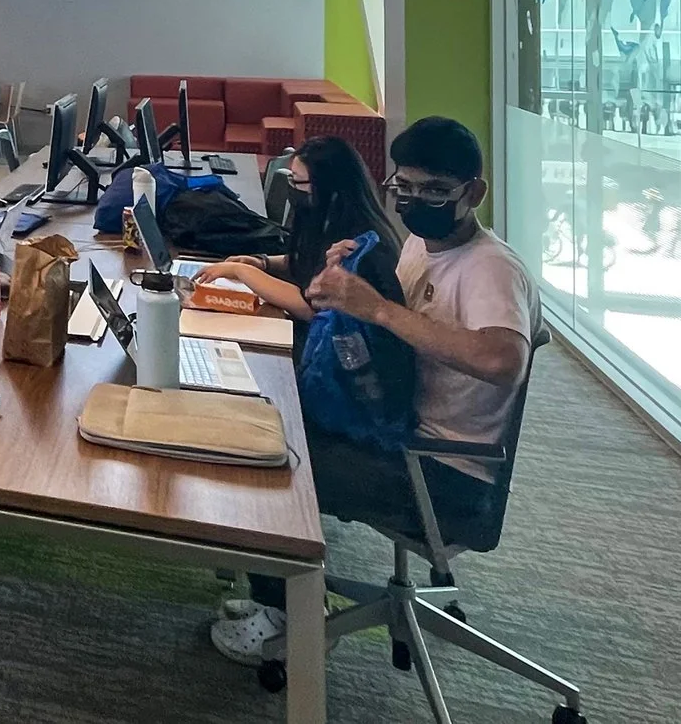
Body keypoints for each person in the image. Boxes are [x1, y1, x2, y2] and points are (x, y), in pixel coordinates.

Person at [212, 116, 538, 668]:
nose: (415, 201)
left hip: (439, 470)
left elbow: (504, 361)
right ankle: (279, 586)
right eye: (404, 188)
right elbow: (381, 332)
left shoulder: (491, 269)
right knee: (260, 412)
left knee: (261, 464)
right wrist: (346, 279)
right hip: (391, 424)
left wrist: (376, 308)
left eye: (435, 190)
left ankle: (291, 619)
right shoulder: (421, 242)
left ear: (473, 192)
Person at [215, 135, 402, 322]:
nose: (292, 187)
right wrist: (263, 263)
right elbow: (307, 259)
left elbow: (309, 307)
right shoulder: (325, 217)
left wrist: (243, 272)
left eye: (297, 180)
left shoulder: (356, 242)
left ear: (327, 186)